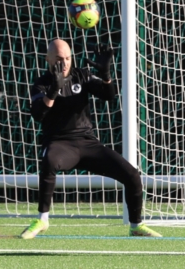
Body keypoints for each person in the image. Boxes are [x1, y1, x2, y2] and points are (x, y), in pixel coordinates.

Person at [21, 38, 161, 239]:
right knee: (49, 160)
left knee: (131, 174)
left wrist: (105, 76)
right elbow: (38, 114)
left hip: (87, 143)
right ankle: (42, 219)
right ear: (48, 59)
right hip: (60, 143)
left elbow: (109, 96)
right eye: (59, 58)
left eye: (68, 58)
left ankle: (136, 225)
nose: (65, 62)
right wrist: (53, 89)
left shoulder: (82, 76)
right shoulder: (41, 84)